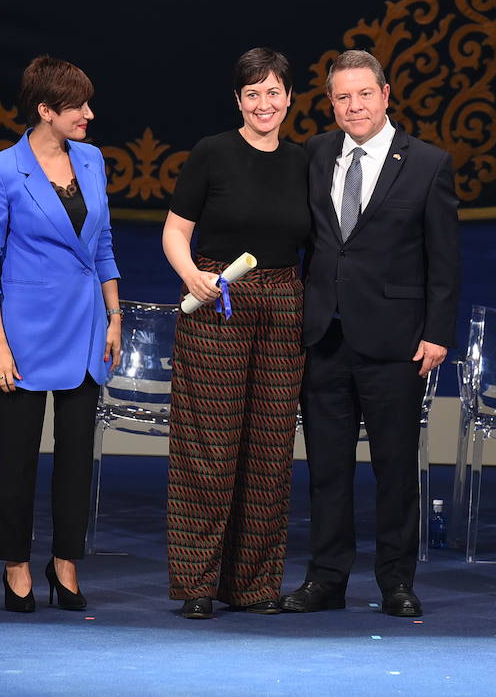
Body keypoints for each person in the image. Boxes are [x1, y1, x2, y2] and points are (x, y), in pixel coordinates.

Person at [282, 49, 460, 618]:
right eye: (342, 96)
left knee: (394, 469)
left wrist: (437, 332)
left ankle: (396, 583)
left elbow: (444, 259)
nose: (353, 105)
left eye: (364, 94)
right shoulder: (314, 154)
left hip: (397, 340)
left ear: (386, 95)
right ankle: (326, 579)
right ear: (330, 103)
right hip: (325, 337)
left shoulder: (428, 163)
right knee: (327, 469)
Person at [0, 56, 122, 612]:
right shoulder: (0, 170)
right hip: (23, 338)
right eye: (78, 106)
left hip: (85, 330)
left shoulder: (93, 160)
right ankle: (15, 566)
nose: (89, 114)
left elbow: (101, 244)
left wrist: (115, 313)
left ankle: (65, 563)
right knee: (18, 459)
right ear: (45, 111)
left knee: (78, 458)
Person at [161, 48, 310, 620]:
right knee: (209, 450)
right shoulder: (212, 153)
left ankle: (253, 585)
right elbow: (175, 233)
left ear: (290, 98)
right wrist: (192, 276)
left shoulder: (304, 160)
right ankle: (198, 585)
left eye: (274, 92)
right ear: (238, 101)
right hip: (216, 302)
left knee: (270, 451)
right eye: (253, 93)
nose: (264, 103)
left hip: (282, 308)